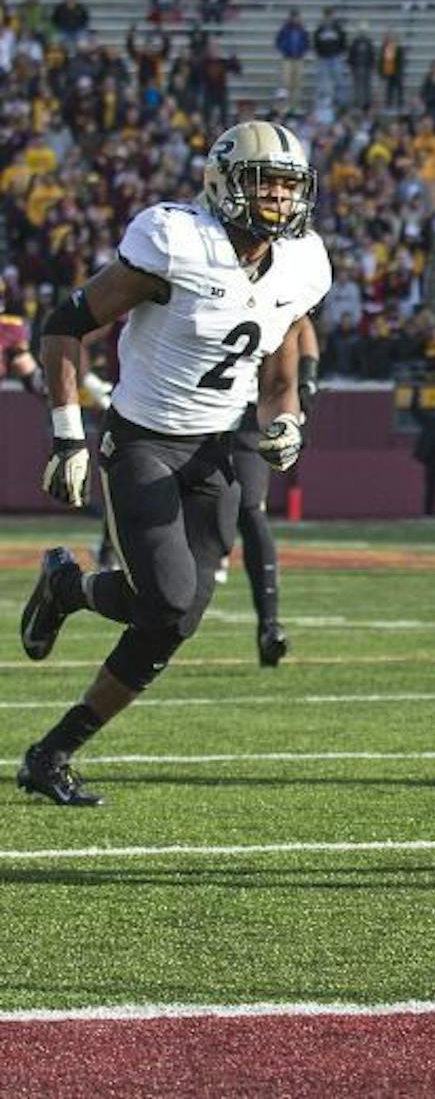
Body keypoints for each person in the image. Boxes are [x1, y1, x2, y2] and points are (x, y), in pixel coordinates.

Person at [17, 121, 331, 807]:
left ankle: (53, 744)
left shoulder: (304, 261)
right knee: (165, 599)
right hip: (143, 440)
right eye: (264, 181)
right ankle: (67, 596)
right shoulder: (174, 241)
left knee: (174, 618)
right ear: (223, 184)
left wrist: (287, 420)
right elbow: (64, 326)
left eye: (288, 183)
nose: (278, 197)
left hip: (218, 446)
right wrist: (68, 436)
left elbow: (278, 365)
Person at [225, 317, 319, 667]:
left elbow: (302, 322)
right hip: (188, 415)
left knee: (251, 510)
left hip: (250, 414)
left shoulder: (280, 276)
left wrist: (307, 379)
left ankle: (269, 625)